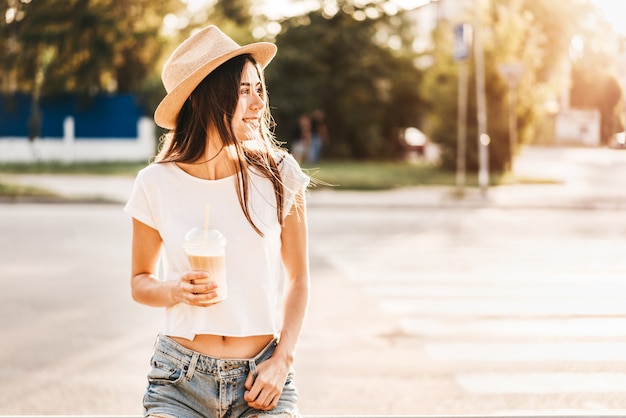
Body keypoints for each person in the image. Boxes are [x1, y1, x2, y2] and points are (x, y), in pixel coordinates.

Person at [124, 25, 310, 418]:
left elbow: (298, 278)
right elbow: (140, 283)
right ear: (204, 97)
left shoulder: (280, 174)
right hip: (179, 380)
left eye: (259, 89)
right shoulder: (155, 183)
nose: (259, 102)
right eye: (244, 90)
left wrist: (282, 361)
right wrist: (175, 289)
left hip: (261, 378)